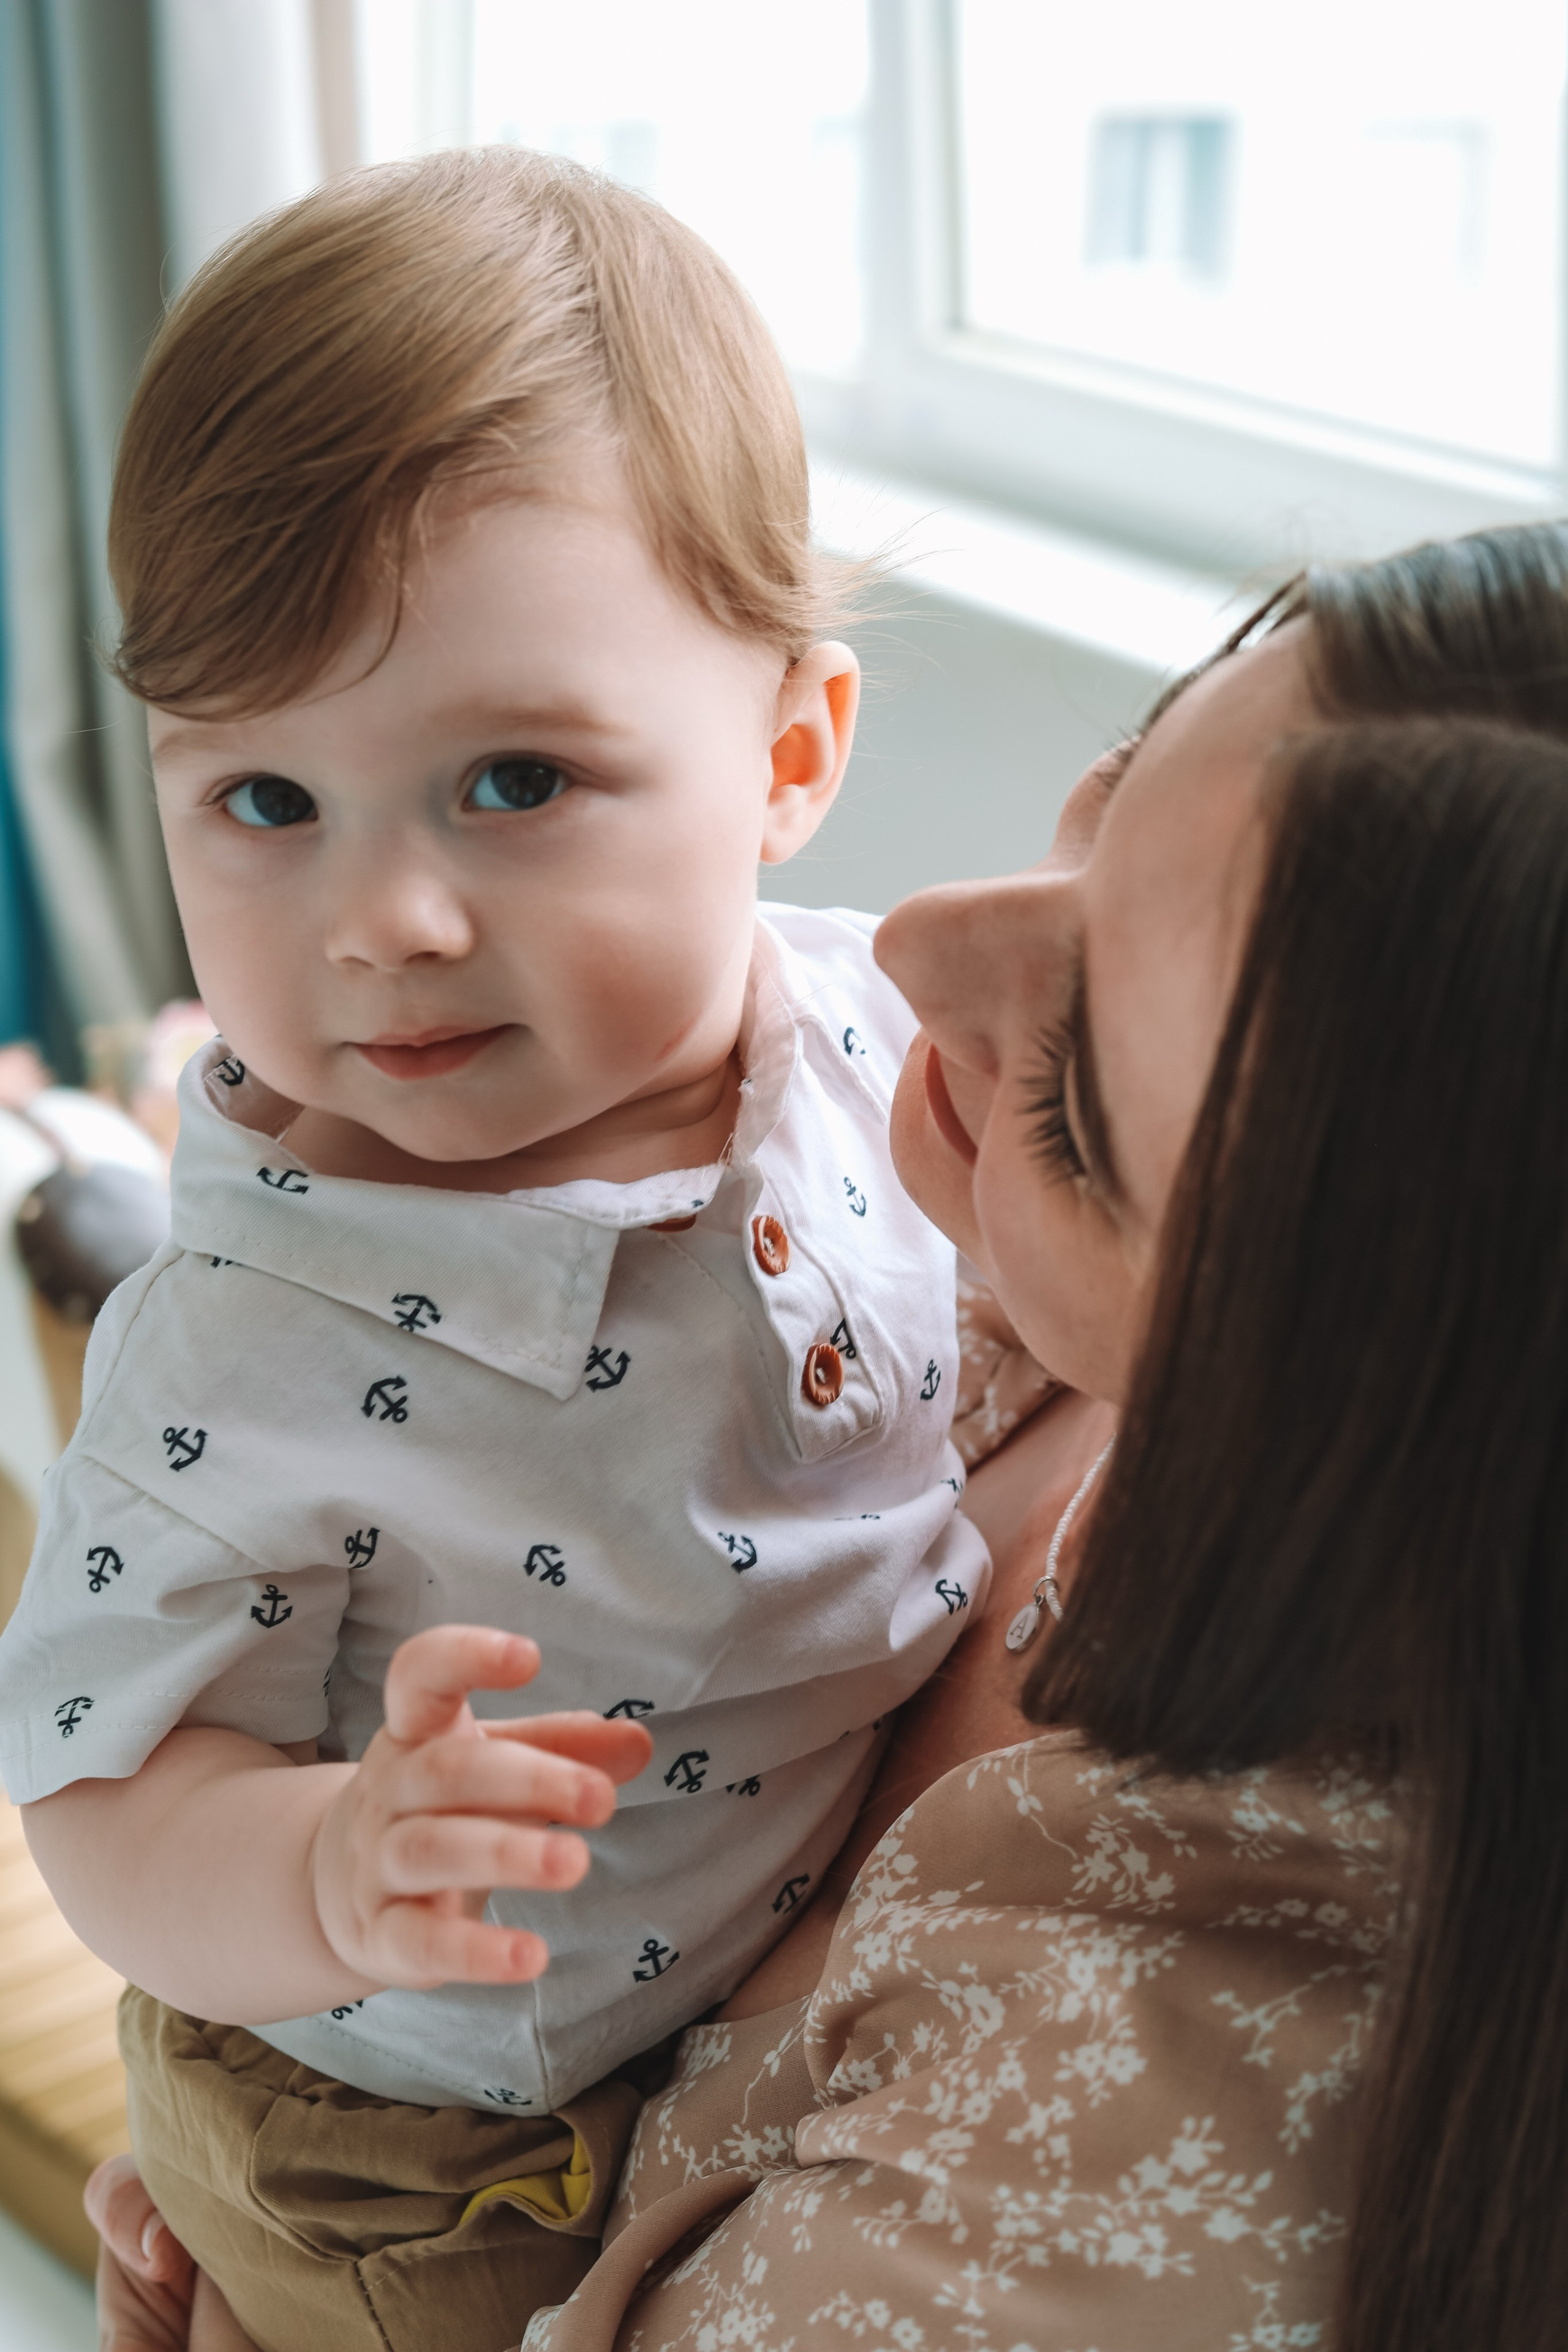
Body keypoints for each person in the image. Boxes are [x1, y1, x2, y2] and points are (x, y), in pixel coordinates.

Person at [91, 519, 1568, 2351]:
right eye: (1110, 792)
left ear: (1356, 1425)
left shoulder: (1045, 2225)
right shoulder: (924, 1224)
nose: (918, 938)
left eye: (1073, 1108)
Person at [0, 148, 995, 2352]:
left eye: (517, 780)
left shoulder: (876, 1030)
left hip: (757, 1937)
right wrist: (330, 1870)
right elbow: (101, 1794)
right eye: (264, 801)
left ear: (792, 751)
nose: (385, 921)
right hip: (421, 2127)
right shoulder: (242, 1342)